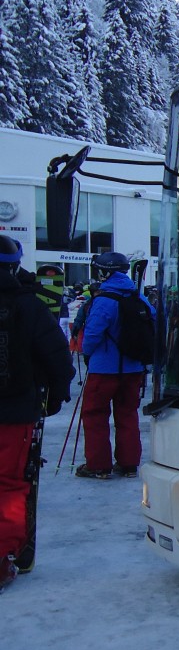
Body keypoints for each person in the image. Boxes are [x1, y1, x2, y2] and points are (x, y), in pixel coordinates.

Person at [0, 236, 73, 589]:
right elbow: (58, 355)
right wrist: (57, 393)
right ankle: (3, 557)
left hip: (16, 408)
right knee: (11, 486)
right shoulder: (27, 305)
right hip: (15, 412)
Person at [77, 251, 155, 480]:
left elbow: (92, 334)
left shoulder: (103, 300)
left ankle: (99, 465)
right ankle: (129, 463)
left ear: (104, 272)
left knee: (95, 414)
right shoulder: (139, 298)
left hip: (104, 369)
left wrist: (87, 353)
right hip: (133, 369)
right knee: (127, 414)